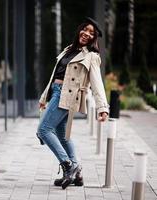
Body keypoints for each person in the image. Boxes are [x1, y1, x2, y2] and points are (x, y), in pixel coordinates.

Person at [36, 17, 109, 189]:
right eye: (85, 29)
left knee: (44, 130)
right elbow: (55, 75)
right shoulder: (69, 50)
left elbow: (97, 82)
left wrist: (102, 107)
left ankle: (68, 165)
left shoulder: (91, 56)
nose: (86, 34)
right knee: (62, 136)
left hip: (67, 96)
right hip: (56, 92)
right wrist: (44, 98)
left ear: (93, 39)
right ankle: (78, 174)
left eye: (91, 33)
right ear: (80, 30)